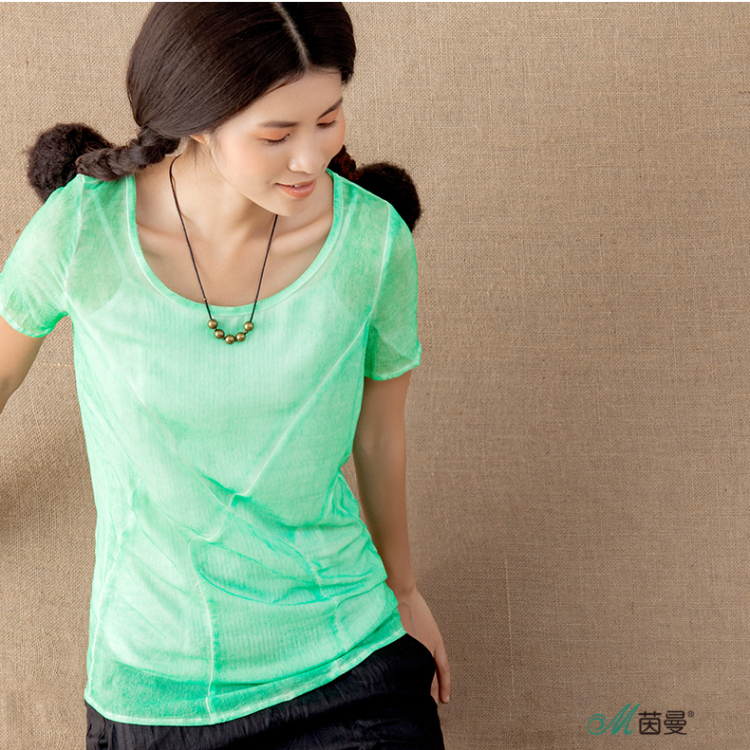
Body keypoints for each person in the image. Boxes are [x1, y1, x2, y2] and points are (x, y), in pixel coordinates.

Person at [0, 3, 450, 749]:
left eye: (328, 120)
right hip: (154, 686)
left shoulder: (373, 241)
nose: (310, 158)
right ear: (199, 124)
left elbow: (378, 436)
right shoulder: (86, 231)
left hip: (352, 656)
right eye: (276, 135)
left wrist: (404, 589)